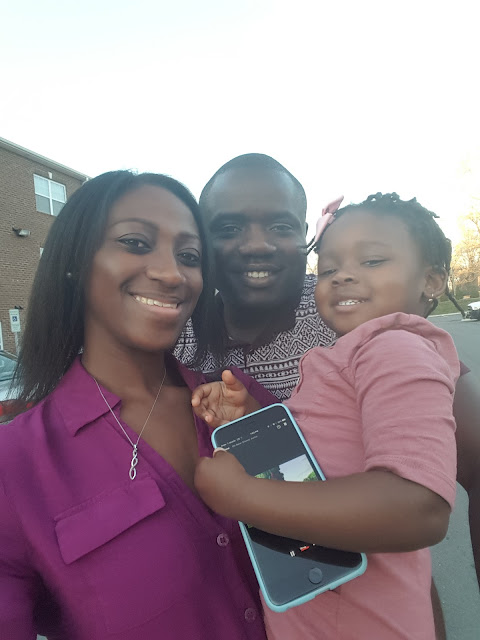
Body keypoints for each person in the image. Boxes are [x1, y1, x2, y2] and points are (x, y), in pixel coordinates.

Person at [176, 154, 480, 595]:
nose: (257, 245)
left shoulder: (356, 315)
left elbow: (457, 472)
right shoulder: (175, 331)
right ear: (202, 240)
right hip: (250, 603)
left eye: (280, 226)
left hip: (368, 599)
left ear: (305, 236)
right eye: (228, 228)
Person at [0, 170, 273, 640]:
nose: (172, 274)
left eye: (190, 256)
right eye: (135, 243)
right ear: (75, 261)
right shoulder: (15, 464)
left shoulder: (244, 401)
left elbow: (329, 544)